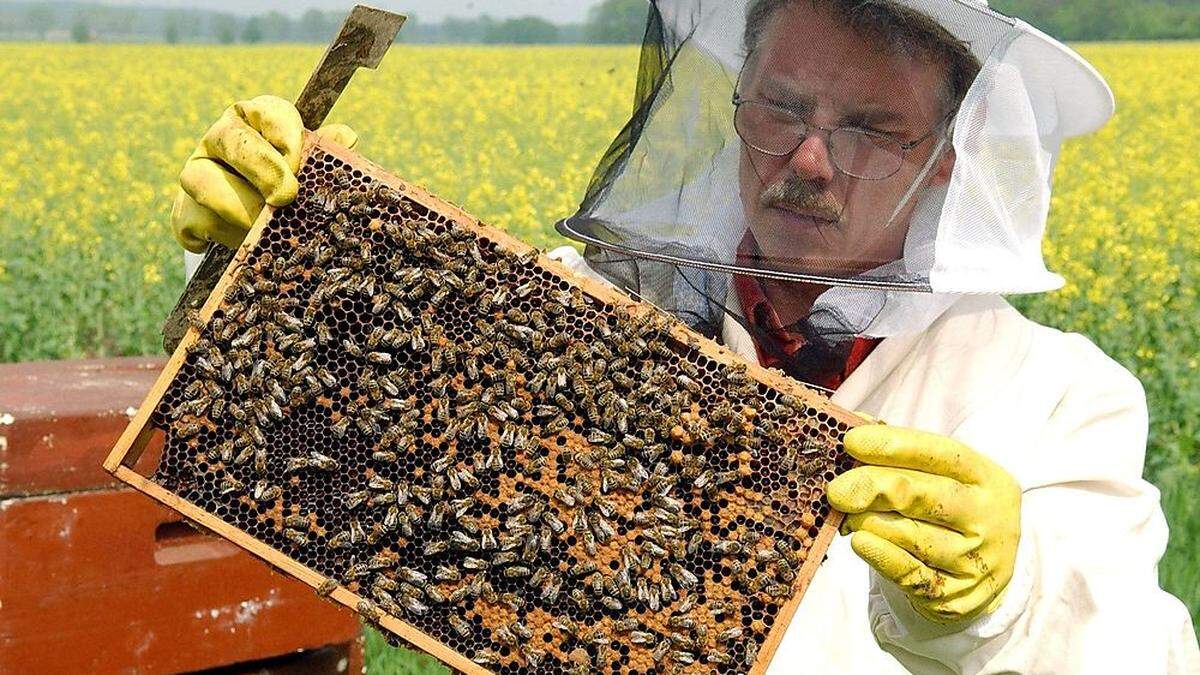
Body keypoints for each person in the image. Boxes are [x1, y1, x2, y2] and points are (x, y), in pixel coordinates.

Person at [169, 0, 1200, 671]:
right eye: (781, 107)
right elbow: (354, 402)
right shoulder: (592, 312)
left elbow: (1145, 654)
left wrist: (1009, 597)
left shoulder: (1058, 398)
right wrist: (277, 246)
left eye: (872, 129)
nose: (806, 159)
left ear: (946, 163)